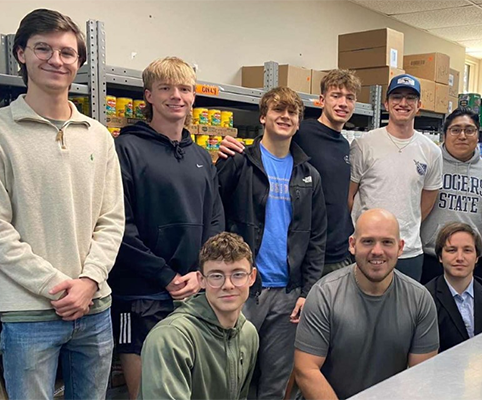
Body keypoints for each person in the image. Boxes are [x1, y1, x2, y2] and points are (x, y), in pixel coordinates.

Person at [0, 9, 125, 400]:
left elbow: (111, 220)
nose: (56, 60)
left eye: (67, 53)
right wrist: (59, 288)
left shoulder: (99, 136)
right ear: (21, 53)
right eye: (43, 48)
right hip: (29, 314)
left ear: (79, 63)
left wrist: (89, 283)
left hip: (95, 308)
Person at [108, 56, 226, 399]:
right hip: (141, 295)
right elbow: (119, 227)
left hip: (194, 291)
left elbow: (214, 222)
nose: (177, 96)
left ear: (193, 97)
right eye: (166, 88)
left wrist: (200, 274)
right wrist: (166, 277)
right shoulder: (125, 149)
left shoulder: (202, 156)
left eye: (185, 89)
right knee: (147, 393)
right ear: (149, 95)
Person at [216, 87, 326, 400]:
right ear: (263, 117)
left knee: (275, 386)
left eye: (292, 113)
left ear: (298, 123)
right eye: (278, 110)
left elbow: (317, 236)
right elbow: (213, 214)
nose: (285, 117)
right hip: (243, 289)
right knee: (231, 380)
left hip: (288, 296)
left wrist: (308, 291)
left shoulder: (309, 175)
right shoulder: (238, 162)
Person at [219, 69, 362, 276]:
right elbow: (270, 145)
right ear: (322, 100)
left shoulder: (345, 144)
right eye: (336, 96)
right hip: (301, 255)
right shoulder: (301, 132)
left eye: (349, 98)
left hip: (338, 252)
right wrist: (232, 146)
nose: (343, 103)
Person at [294, 209, 439, 400]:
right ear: (352, 245)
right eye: (368, 241)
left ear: (400, 247)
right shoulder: (324, 295)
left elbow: (421, 377)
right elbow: (306, 370)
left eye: (387, 242)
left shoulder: (420, 300)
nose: (377, 251)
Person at [139, 232, 259, 400]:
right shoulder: (170, 338)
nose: (228, 285)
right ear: (201, 280)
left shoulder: (248, 333)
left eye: (238, 274)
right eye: (216, 276)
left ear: (252, 277)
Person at [348, 74, 443, 281]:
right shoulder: (364, 144)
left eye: (410, 98)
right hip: (367, 249)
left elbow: (426, 202)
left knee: (404, 312)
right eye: (397, 97)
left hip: (408, 251)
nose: (403, 103)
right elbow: (350, 196)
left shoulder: (431, 151)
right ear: (386, 104)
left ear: (419, 105)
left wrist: (405, 222)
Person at [420, 109, 482, 283]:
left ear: (478, 136)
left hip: (471, 261)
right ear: (445, 134)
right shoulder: (429, 164)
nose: (462, 136)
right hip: (431, 258)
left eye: (469, 130)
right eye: (455, 130)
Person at [425, 222, 482, 352]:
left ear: (477, 257)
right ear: (440, 256)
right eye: (452, 250)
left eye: (467, 250)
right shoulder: (425, 299)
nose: (460, 258)